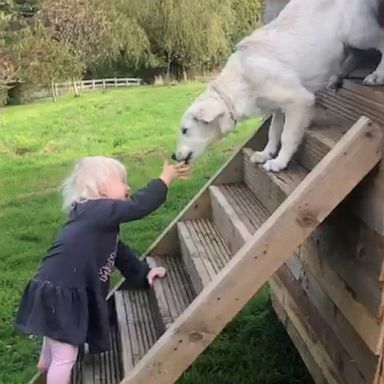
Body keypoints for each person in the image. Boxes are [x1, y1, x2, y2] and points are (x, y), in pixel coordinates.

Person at [15, 156, 191, 384]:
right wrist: (165, 179)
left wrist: (143, 273)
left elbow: (116, 251)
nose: (128, 187)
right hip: (63, 290)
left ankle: (46, 361)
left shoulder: (94, 217)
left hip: (54, 285)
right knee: (67, 355)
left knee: (57, 328)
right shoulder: (98, 210)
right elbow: (139, 206)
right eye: (122, 181)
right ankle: (54, 365)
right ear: (101, 188)